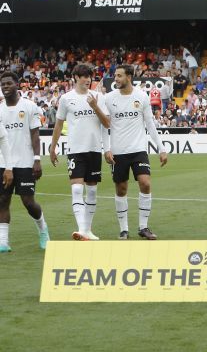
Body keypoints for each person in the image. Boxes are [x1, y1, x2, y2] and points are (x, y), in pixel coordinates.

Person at [101, 65, 168, 240]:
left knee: (145, 183)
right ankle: (124, 229)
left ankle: (143, 227)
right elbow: (104, 126)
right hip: (118, 152)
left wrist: (161, 148)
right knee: (121, 189)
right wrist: (106, 148)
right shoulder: (108, 98)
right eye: (115, 76)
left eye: (119, 76)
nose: (116, 79)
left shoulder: (141, 96)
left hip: (138, 150)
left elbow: (150, 124)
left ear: (129, 77)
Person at [49, 64, 110, 241]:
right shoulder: (66, 99)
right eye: (83, 76)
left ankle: (87, 230)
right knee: (76, 189)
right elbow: (59, 124)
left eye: (89, 76)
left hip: (93, 149)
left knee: (91, 192)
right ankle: (82, 229)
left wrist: (95, 106)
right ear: (75, 77)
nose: (87, 79)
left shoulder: (98, 97)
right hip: (75, 150)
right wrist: (53, 147)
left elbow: (107, 123)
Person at [0, 71, 47, 252]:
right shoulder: (0, 109)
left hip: (26, 162)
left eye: (9, 83)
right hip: (4, 163)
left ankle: (43, 230)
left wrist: (37, 160)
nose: (5, 86)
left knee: (28, 202)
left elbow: (35, 135)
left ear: (17, 84)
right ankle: (3, 241)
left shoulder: (30, 106)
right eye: (3, 84)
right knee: (3, 200)